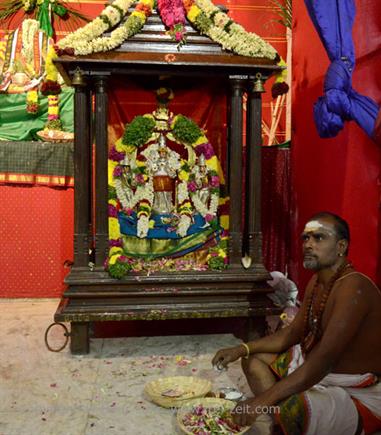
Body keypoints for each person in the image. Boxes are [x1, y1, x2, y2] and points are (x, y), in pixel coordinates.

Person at [212, 212, 381, 434]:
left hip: (356, 390)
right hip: (319, 370)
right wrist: (241, 348)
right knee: (253, 361)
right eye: (305, 238)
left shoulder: (354, 287)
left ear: (341, 246)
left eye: (319, 238)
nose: (308, 244)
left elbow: (323, 360)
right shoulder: (318, 281)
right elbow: (291, 334)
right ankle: (286, 420)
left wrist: (261, 400)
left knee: (294, 410)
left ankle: (289, 418)